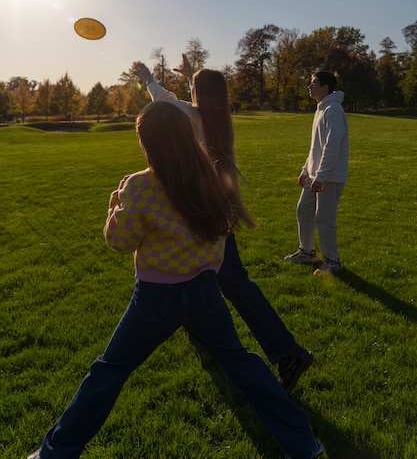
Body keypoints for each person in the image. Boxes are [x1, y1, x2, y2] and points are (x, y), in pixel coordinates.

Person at [28, 102, 323, 459]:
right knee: (243, 365)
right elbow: (219, 240)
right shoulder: (210, 179)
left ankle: (55, 453)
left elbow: (119, 243)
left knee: (107, 372)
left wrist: (115, 206)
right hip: (205, 293)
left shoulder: (139, 186)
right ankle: (304, 444)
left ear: (148, 143)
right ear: (186, 136)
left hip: (155, 299)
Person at [134, 57, 313, 391]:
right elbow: (192, 103)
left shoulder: (189, 115)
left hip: (199, 210)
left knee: (228, 280)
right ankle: (210, 336)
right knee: (213, 278)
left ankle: (288, 352)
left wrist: (148, 78)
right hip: (216, 206)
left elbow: (169, 103)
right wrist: (192, 77)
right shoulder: (218, 120)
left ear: (200, 95)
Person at [284, 71, 349, 275]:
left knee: (324, 218)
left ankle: (332, 262)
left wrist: (321, 176)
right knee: (304, 209)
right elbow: (316, 147)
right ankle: (307, 252)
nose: (309, 87)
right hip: (315, 175)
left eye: (314, 83)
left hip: (329, 176)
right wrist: (306, 170)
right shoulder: (321, 109)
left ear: (325, 87)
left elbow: (332, 145)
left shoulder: (333, 109)